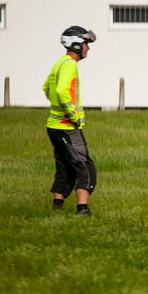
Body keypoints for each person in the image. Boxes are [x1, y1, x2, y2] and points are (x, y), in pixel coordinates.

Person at [43, 25, 98, 216]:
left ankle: (57, 207)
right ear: (75, 44)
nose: (88, 48)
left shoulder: (59, 63)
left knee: (64, 167)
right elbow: (60, 90)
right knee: (85, 166)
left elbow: (47, 88)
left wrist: (57, 107)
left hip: (53, 126)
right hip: (67, 127)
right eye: (85, 44)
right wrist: (72, 115)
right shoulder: (70, 65)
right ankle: (82, 209)